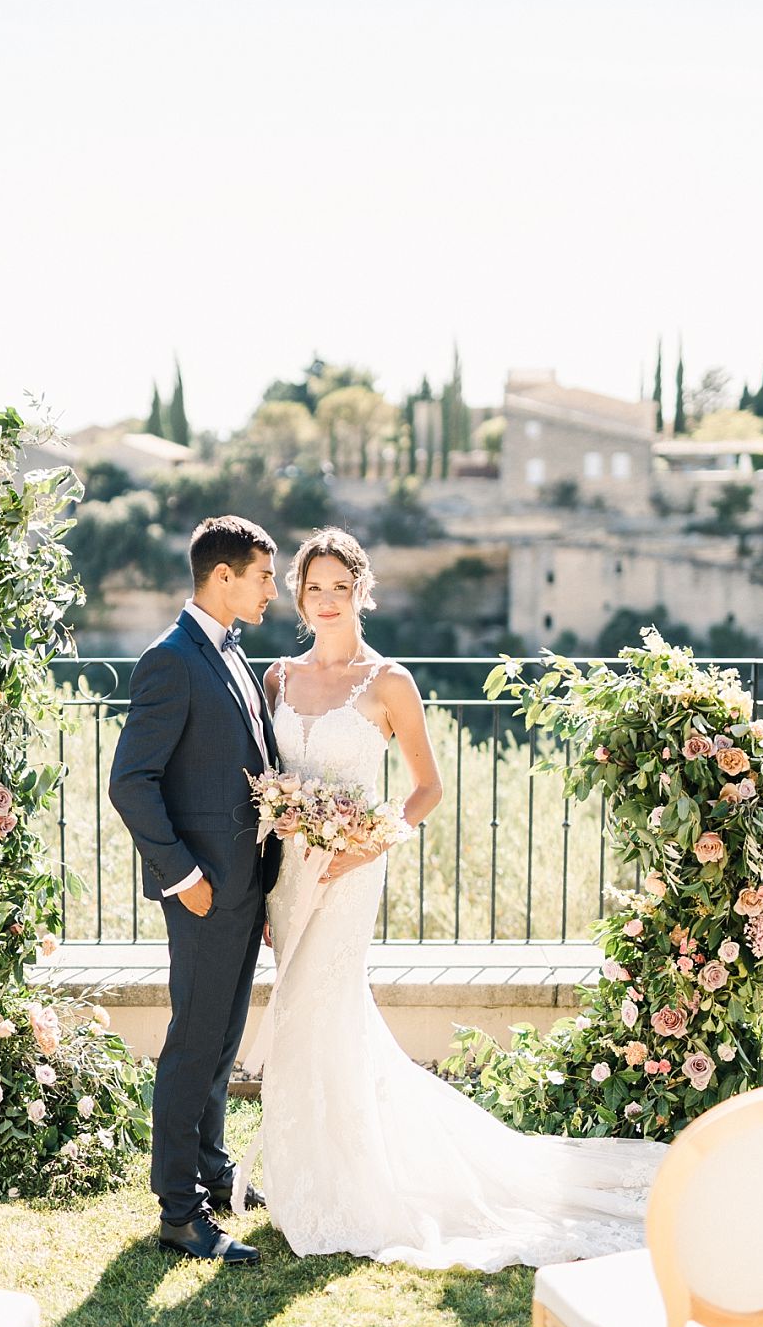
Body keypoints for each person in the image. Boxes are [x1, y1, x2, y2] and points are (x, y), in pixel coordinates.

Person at [252, 528, 665, 1272]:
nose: (326, 600)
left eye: (338, 587)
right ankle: (298, 1177)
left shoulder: (388, 682)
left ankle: (352, 1184)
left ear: (360, 591)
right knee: (292, 1011)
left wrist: (366, 843)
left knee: (325, 1004)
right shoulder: (276, 678)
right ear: (298, 595)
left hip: (352, 869)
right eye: (313, 588)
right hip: (291, 872)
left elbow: (425, 788)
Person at [109, 515, 281, 1264]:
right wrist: (183, 876)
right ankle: (179, 1213)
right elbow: (130, 782)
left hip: (247, 886)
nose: (274, 591)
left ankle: (211, 1175)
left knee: (220, 1042)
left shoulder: (234, 655)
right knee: (192, 1044)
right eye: (264, 577)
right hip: (205, 890)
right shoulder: (171, 660)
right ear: (222, 576)